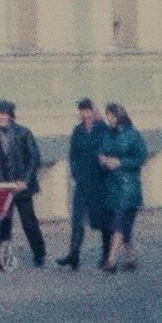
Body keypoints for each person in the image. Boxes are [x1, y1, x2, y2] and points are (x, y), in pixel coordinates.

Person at [0, 99, 46, 268]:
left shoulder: (23, 133)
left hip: (21, 186)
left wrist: (26, 179)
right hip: (4, 187)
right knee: (4, 222)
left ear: (11, 115)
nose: (0, 117)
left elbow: (34, 157)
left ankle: (39, 254)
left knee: (29, 222)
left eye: (3, 113)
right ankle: (2, 259)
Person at [96, 101, 148, 272]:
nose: (109, 118)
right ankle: (130, 258)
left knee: (119, 224)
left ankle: (111, 261)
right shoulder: (107, 135)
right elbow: (101, 154)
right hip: (112, 187)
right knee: (122, 225)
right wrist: (104, 161)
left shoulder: (133, 135)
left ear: (119, 115)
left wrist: (120, 163)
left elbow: (141, 157)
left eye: (111, 115)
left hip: (128, 187)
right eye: (107, 115)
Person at [58, 97, 108, 270]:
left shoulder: (103, 129)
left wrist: (104, 169)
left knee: (102, 219)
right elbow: (72, 154)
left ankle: (107, 254)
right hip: (82, 181)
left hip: (100, 181)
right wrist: (75, 172)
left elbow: (108, 150)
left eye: (88, 110)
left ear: (94, 111)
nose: (85, 114)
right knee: (77, 219)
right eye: (82, 110)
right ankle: (74, 255)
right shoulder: (77, 131)